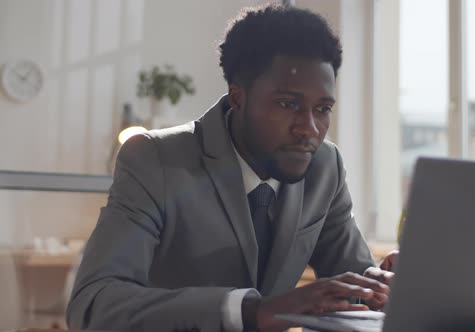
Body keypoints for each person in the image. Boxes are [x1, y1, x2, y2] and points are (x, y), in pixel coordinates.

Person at [67, 4, 395, 332]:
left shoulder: (325, 167)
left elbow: (355, 290)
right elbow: (94, 304)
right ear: (238, 97)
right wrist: (251, 310)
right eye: (287, 104)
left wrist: (384, 288)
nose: (309, 129)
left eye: (323, 108)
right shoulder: (155, 159)